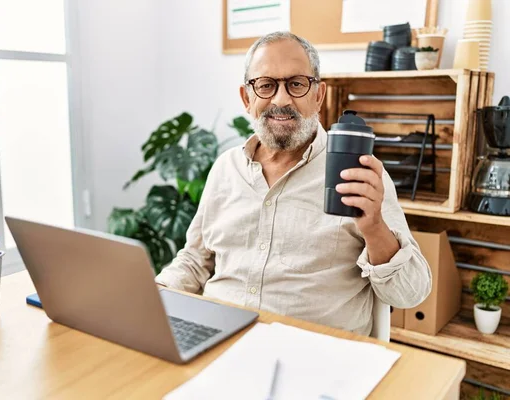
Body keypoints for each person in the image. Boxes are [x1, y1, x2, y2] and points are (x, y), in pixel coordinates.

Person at [155, 31, 432, 335]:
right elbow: (196, 260)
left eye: (297, 84)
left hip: (311, 358)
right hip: (218, 341)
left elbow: (410, 294)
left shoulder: (361, 177)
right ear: (247, 98)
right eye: (266, 85)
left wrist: (375, 228)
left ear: (319, 95)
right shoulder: (225, 169)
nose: (281, 99)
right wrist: (154, 295)